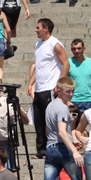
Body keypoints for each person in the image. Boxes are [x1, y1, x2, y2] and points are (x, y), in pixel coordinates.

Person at [30, 77, 84, 180]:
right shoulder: (62, 108)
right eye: (68, 91)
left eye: (72, 91)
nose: (71, 94)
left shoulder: (50, 106)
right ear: (59, 90)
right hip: (63, 149)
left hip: (50, 148)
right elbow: (61, 131)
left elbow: (48, 131)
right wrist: (73, 150)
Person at [27, 18, 69, 158]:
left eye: (38, 27)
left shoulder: (55, 44)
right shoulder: (38, 44)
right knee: (38, 120)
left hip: (50, 88)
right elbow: (39, 67)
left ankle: (53, 149)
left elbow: (66, 64)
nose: (36, 30)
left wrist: (59, 85)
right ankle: (41, 151)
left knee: (50, 120)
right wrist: (31, 83)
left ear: (46, 28)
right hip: (39, 88)